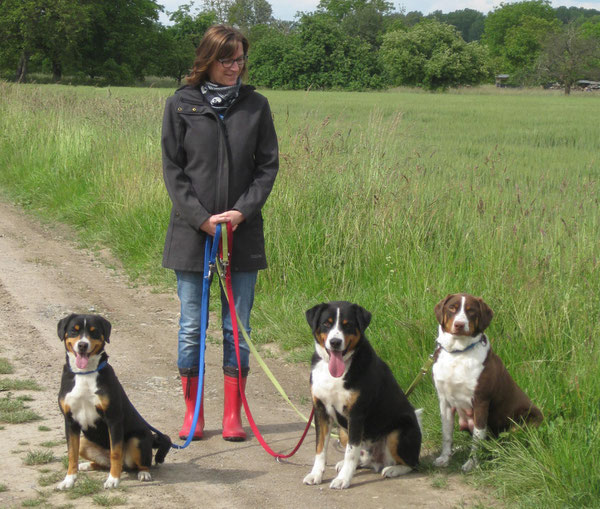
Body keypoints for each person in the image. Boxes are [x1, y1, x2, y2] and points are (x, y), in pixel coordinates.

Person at [161, 24, 279, 441]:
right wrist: (202, 219)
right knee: (191, 326)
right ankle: (193, 414)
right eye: (227, 59)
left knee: (236, 325)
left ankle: (233, 415)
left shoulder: (256, 106)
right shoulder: (180, 104)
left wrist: (241, 212)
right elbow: (173, 171)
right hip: (191, 235)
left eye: (240, 58)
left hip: (241, 234)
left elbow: (267, 167)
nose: (235, 67)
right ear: (207, 60)